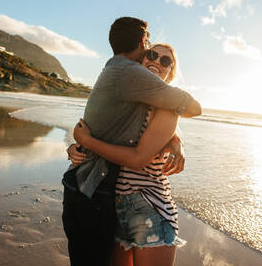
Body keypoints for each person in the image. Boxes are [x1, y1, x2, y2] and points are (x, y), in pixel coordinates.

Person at [61, 17, 201, 266]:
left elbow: (143, 152)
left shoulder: (159, 102)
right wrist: (78, 144)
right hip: (112, 203)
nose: (157, 61)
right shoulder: (131, 91)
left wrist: (176, 142)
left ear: (171, 73)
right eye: (152, 55)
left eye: (165, 60)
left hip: (149, 204)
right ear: (142, 54)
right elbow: (105, 125)